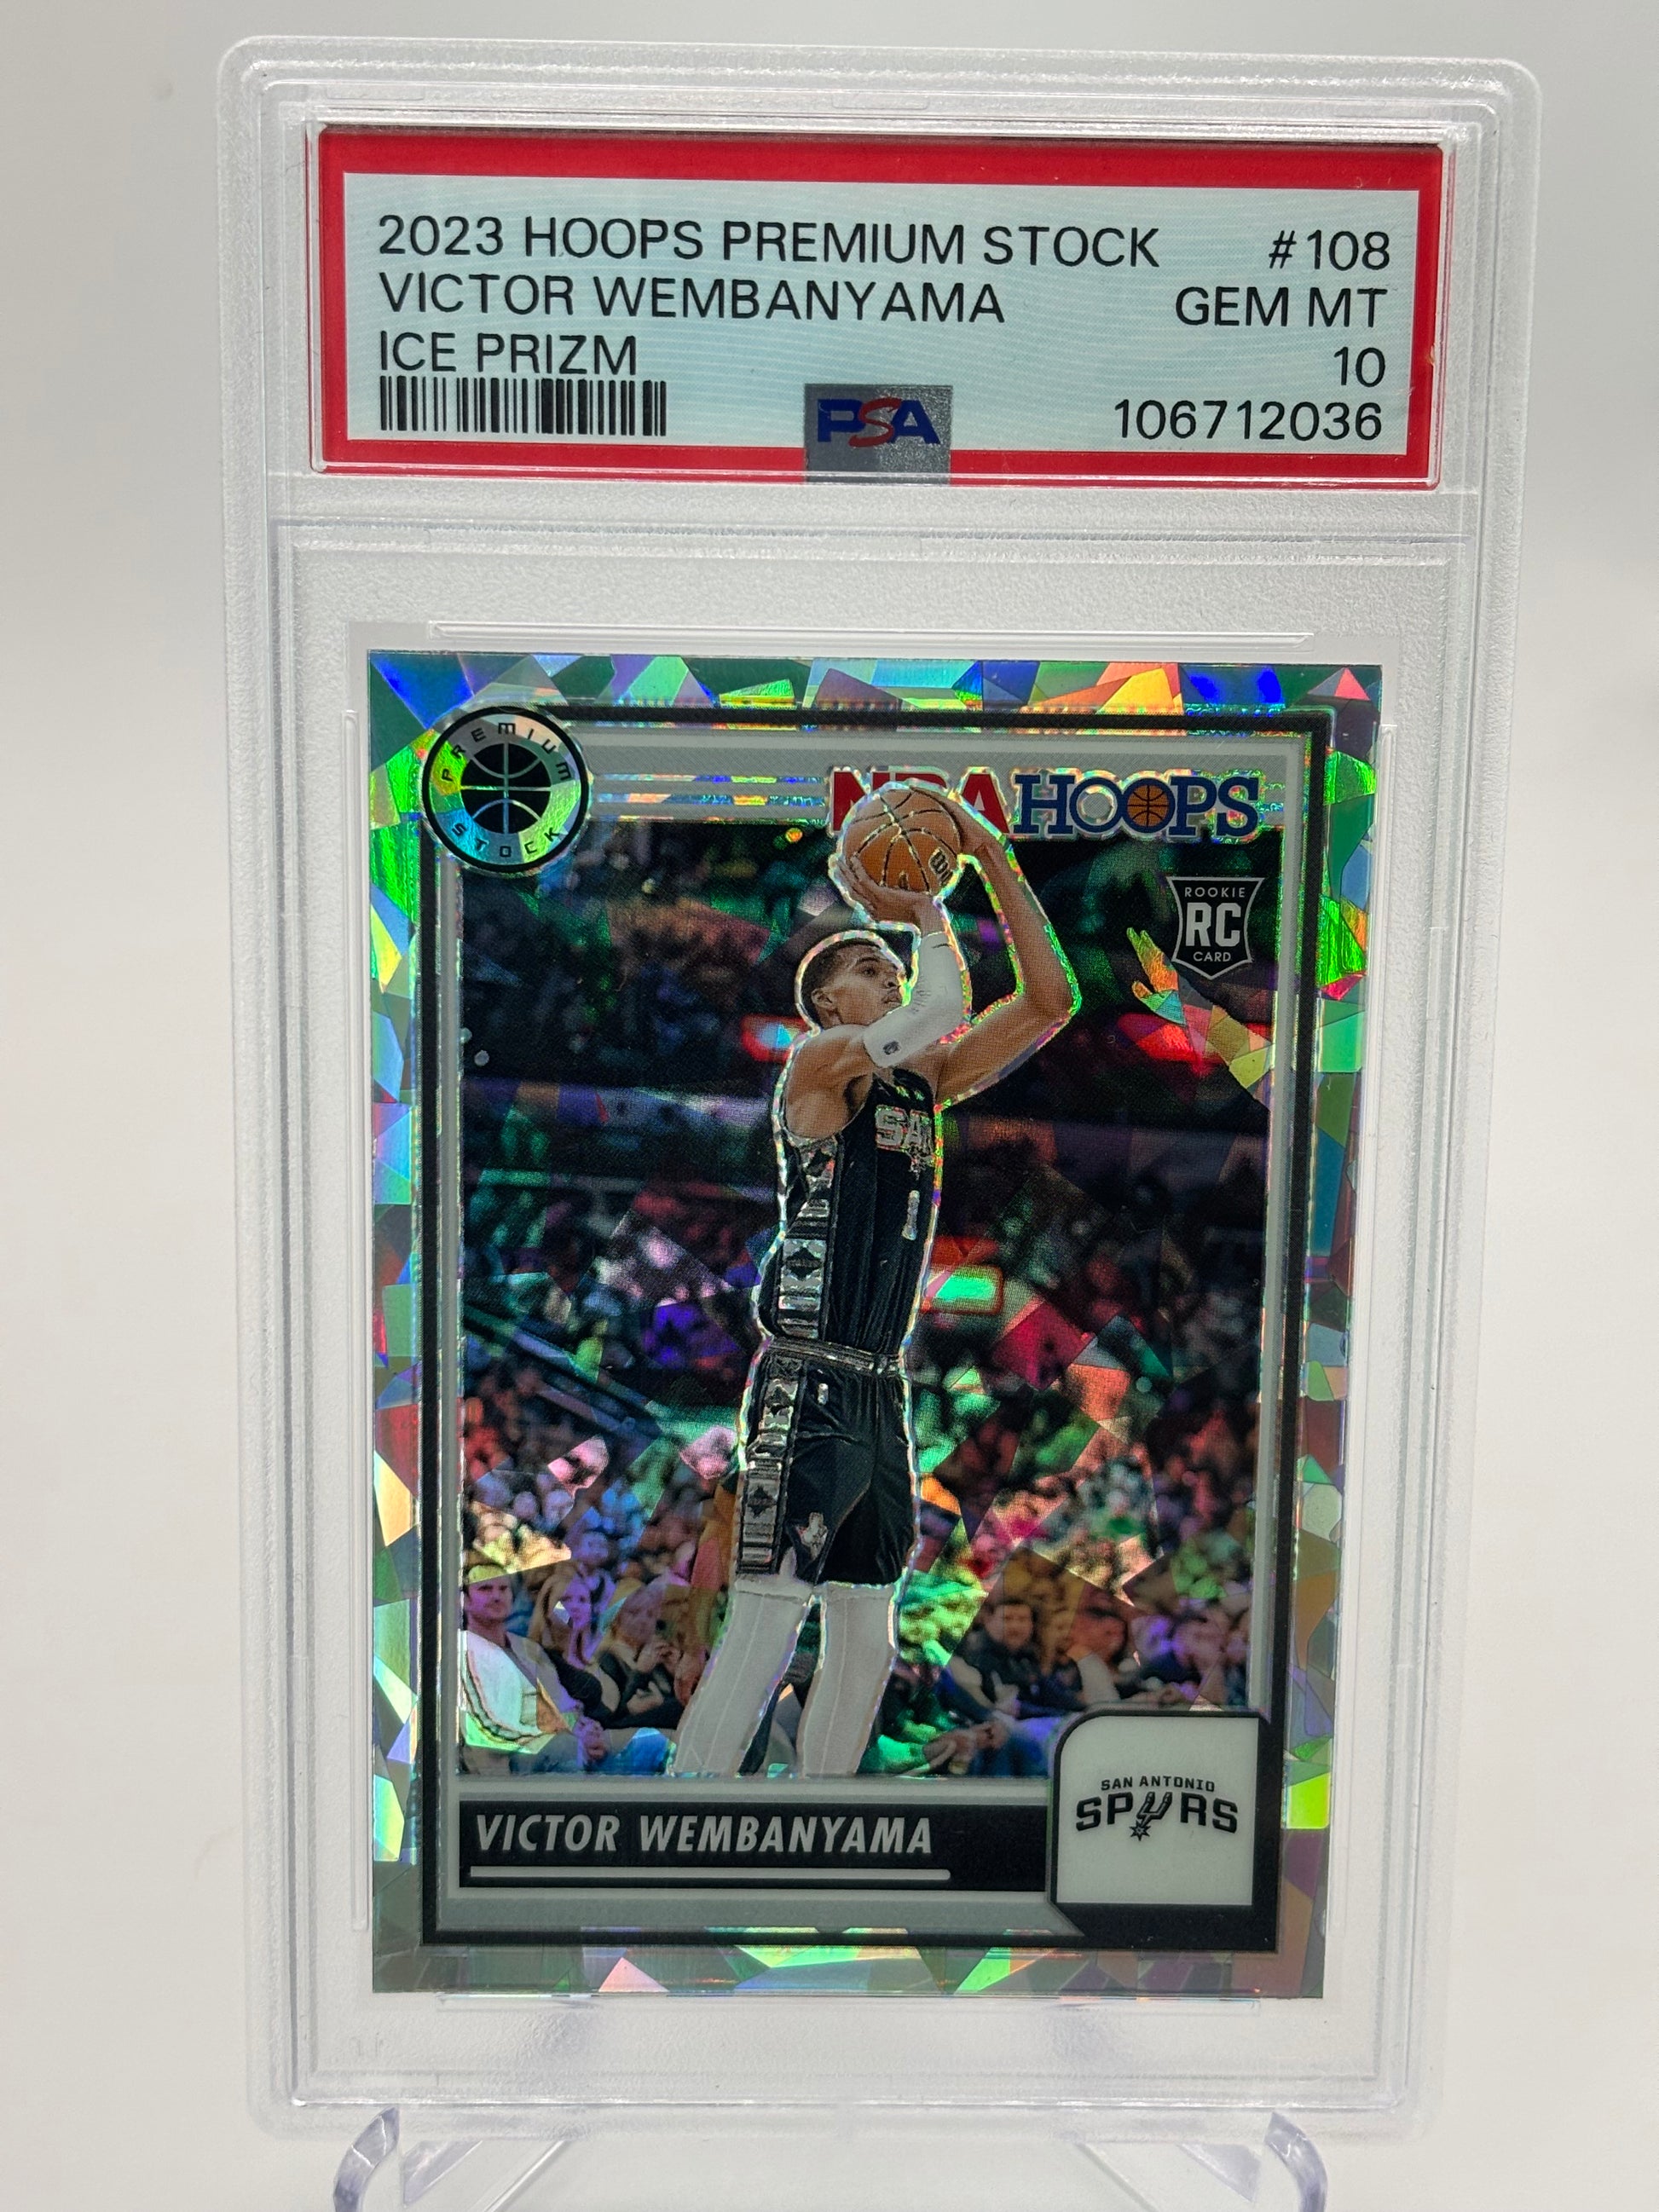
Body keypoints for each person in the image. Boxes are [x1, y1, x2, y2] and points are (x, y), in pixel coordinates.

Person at [674, 789, 1078, 1777]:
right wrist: (927, 905)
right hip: (805, 1374)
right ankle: (692, 1796)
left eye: (890, 963)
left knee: (867, 1635)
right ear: (827, 1004)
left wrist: (991, 855)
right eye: (867, 967)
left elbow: (1048, 1001)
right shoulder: (819, 1065)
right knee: (769, 1617)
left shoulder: (922, 1082)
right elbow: (941, 1005)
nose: (888, 971)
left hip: (876, 1384)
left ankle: (820, 1808)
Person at [460, 1566, 668, 1776]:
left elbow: (564, 1704)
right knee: (567, 1747)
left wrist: (584, 1727)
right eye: (485, 1589)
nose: (496, 1596)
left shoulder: (528, 1649)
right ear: (465, 1600)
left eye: (503, 1589)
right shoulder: (464, 1655)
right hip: (516, 1754)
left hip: (575, 1740)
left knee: (655, 1742)